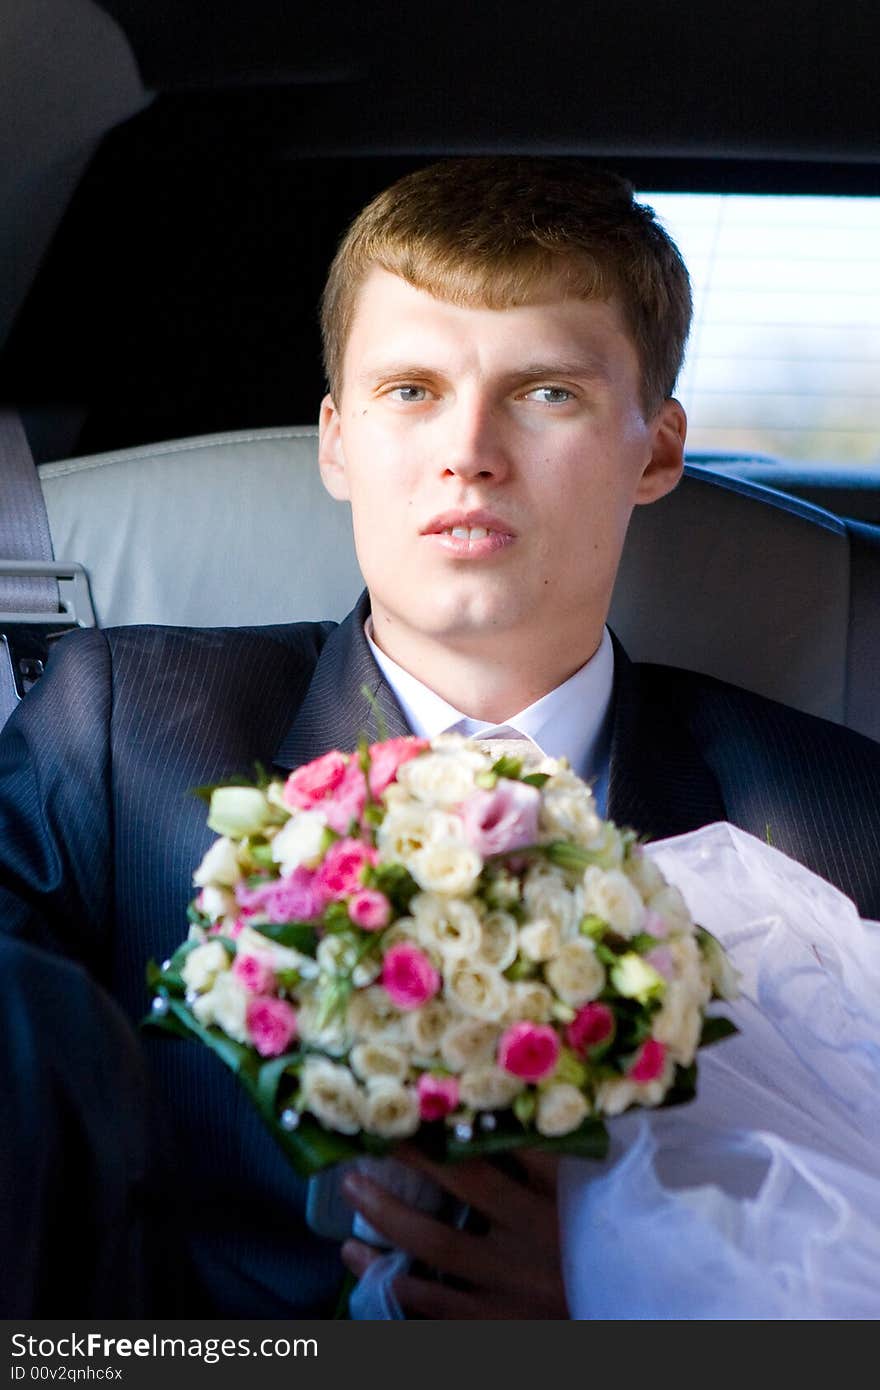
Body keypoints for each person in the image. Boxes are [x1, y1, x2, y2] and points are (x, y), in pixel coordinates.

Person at [1, 157, 879, 1320]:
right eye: (410, 390)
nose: (469, 449)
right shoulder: (116, 736)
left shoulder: (832, 816)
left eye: (547, 392)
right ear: (335, 440)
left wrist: (631, 1283)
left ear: (658, 450)